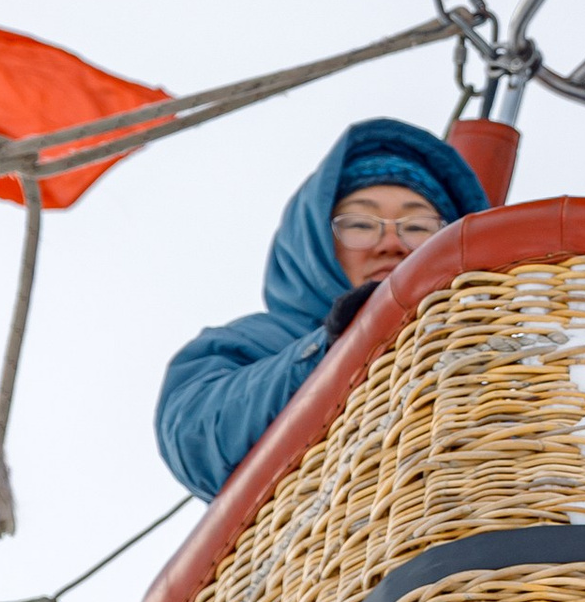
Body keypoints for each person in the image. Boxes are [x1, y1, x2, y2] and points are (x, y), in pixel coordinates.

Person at [156, 116, 490, 499]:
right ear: (315, 240)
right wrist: (336, 350)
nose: (392, 243)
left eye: (417, 226)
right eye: (361, 224)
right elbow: (197, 439)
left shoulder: (484, 343)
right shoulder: (251, 342)